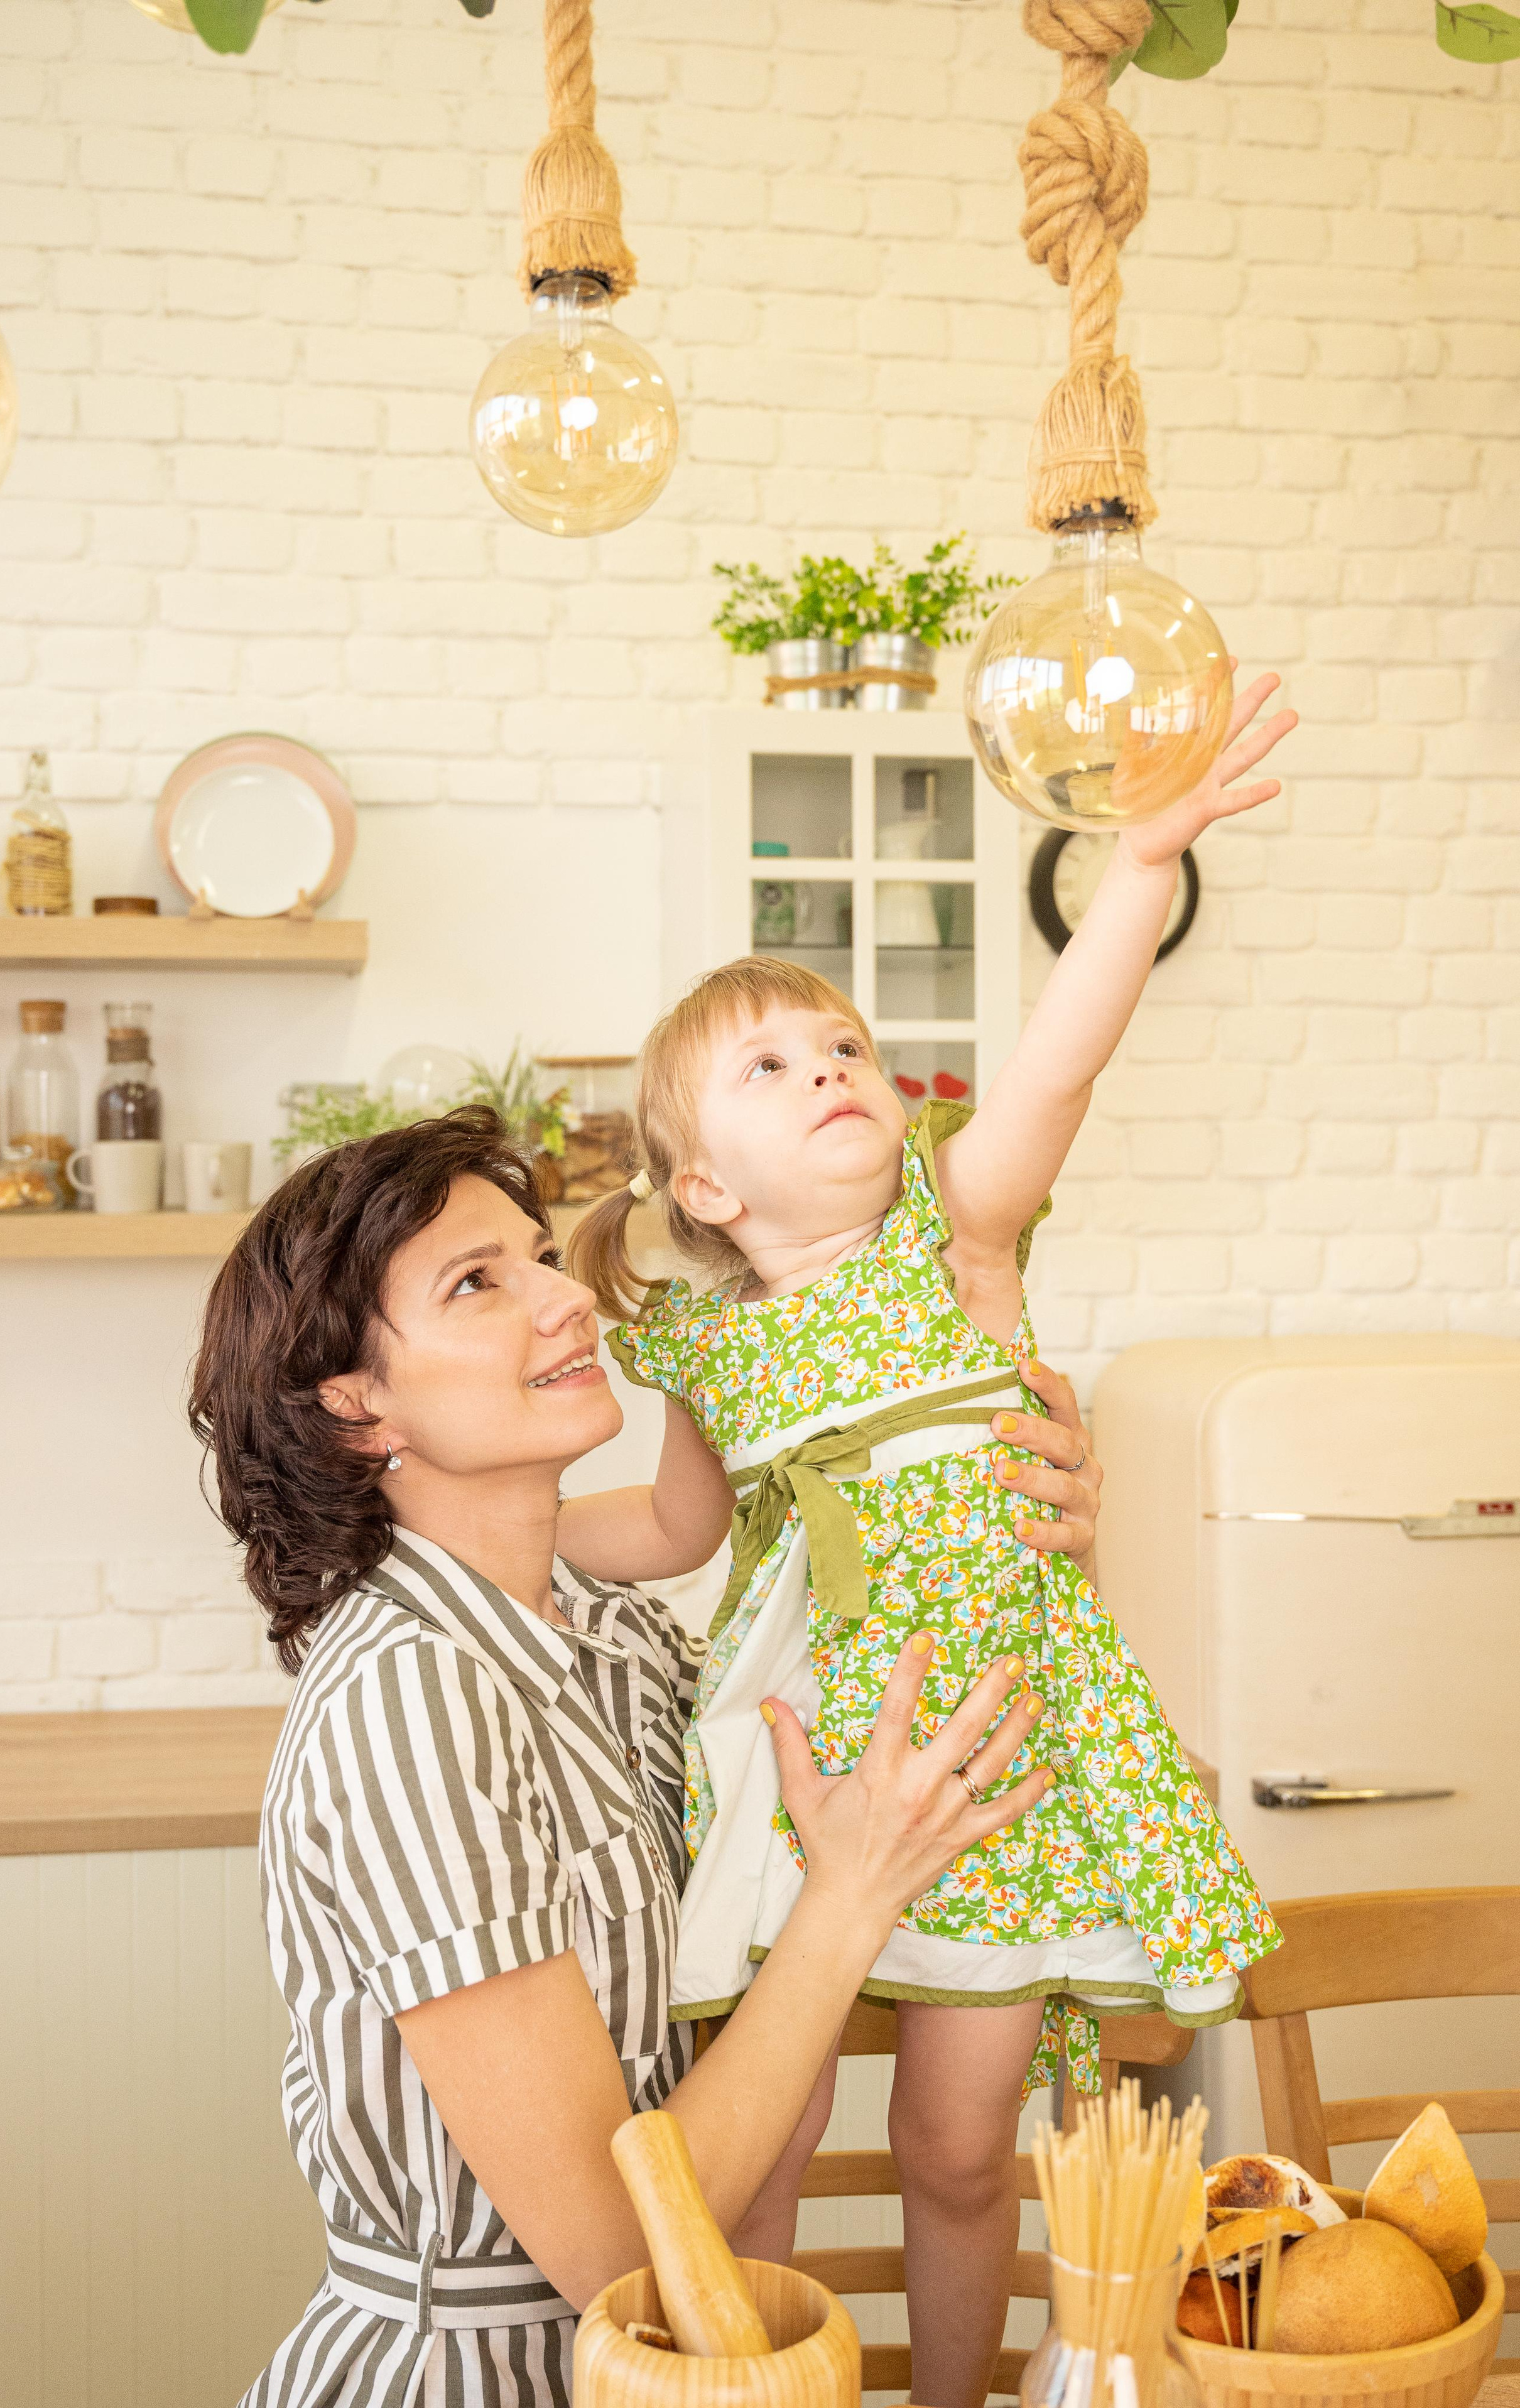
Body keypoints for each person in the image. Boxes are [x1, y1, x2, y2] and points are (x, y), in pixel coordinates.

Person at [565, 673, 1297, 2408]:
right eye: (770, 1065)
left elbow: (1061, 1060)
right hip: (802, 1762)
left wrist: (1137, 868)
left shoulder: (954, 1235)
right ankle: (756, 2389)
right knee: (762, 2140)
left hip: (993, 1754)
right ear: (711, 1193)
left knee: (965, 2149)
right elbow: (675, 1524)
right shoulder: (707, 1343)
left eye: (844, 1051)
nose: (829, 1069)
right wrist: (489, 1536)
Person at [190, 1106, 1105, 2408]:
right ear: (355, 1412)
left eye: (538, 1258)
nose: (564, 1301)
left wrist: (1033, 1539)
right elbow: (620, 2254)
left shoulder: (615, 1637)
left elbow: (895, 1756)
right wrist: (850, 1904)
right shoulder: (409, 1703)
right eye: (476, 1283)